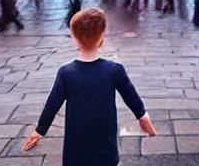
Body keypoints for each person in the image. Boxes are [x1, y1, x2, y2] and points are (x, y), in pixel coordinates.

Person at [23, 9, 156, 165]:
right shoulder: (114, 70)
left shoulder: (66, 73)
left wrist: (40, 130)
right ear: (101, 41)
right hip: (105, 141)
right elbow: (131, 97)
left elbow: (52, 104)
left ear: (75, 41)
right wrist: (143, 117)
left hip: (76, 144)